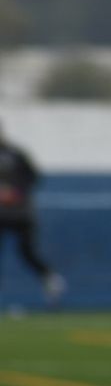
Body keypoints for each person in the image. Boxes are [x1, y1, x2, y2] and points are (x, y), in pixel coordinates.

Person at [0, 122, 65, 305]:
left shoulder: (16, 154)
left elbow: (32, 177)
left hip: (21, 214)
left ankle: (50, 279)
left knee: (28, 252)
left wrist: (15, 193)